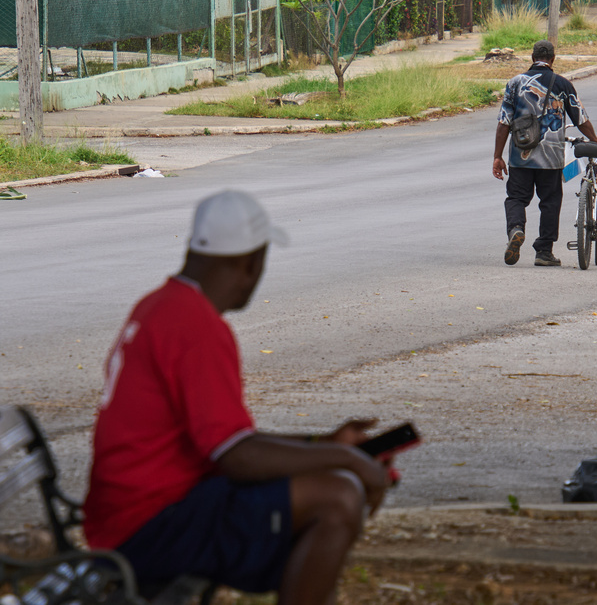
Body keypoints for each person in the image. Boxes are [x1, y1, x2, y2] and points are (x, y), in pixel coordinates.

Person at [83, 190, 392, 605]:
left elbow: (229, 441)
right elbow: (238, 457)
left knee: (333, 485)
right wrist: (348, 460)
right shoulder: (196, 326)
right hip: (150, 524)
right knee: (338, 498)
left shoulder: (160, 305)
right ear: (250, 262)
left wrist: (325, 444)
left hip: (145, 510)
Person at [493, 39, 597, 267]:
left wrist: (497, 156)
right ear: (552, 60)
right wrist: (595, 140)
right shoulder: (563, 84)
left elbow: (504, 123)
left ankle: (516, 229)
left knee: (516, 198)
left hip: (520, 156)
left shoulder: (515, 83)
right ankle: (544, 251)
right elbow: (580, 119)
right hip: (551, 159)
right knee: (550, 201)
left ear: (532, 58)